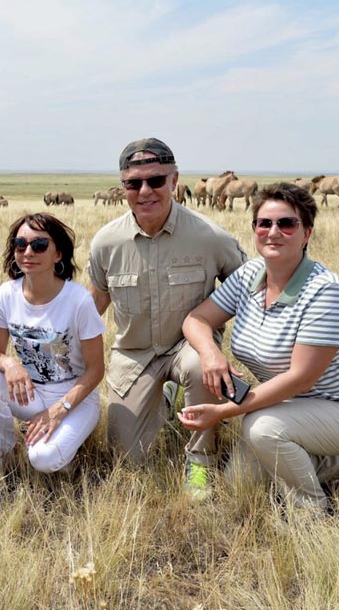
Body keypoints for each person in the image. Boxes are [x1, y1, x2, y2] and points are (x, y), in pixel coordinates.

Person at [179, 182, 339, 512]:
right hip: (293, 404)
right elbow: (196, 319)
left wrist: (224, 412)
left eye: (287, 223)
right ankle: (333, 463)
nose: (273, 232)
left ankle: (310, 511)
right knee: (241, 481)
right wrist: (211, 354)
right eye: (264, 223)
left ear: (307, 233)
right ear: (254, 229)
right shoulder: (250, 273)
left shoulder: (326, 291)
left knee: (262, 428)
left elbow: (301, 379)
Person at [87, 138, 246, 497]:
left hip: (189, 347)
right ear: (123, 186)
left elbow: (252, 285)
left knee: (196, 368)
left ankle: (200, 464)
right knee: (126, 462)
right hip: (134, 355)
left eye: (156, 181)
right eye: (134, 183)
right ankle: (166, 397)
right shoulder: (105, 243)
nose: (145, 191)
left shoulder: (209, 236)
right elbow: (94, 304)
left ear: (175, 181)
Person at [0, 213, 105, 475]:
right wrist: (9, 363)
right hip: (32, 393)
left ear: (58, 254)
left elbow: (96, 371)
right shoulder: (6, 294)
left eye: (39, 245)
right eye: (20, 245)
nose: (28, 252)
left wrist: (60, 409)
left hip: (76, 398)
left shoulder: (78, 301)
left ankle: (68, 454)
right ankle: (3, 458)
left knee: (42, 460)